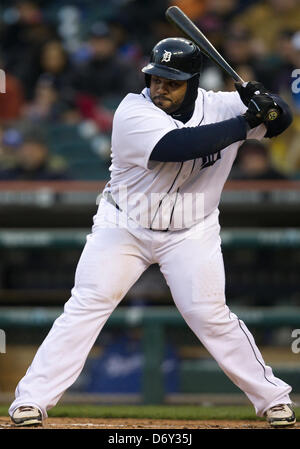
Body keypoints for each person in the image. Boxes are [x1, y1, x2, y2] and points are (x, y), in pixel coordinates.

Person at [9, 37, 295, 428]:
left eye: (172, 81)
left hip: (191, 228)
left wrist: (270, 104)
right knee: (86, 306)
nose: (160, 87)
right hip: (123, 224)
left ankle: (274, 399)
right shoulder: (133, 110)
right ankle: (31, 401)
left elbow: (283, 123)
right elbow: (178, 146)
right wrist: (249, 119)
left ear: (193, 83)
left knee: (209, 315)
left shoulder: (222, 105)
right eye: (156, 77)